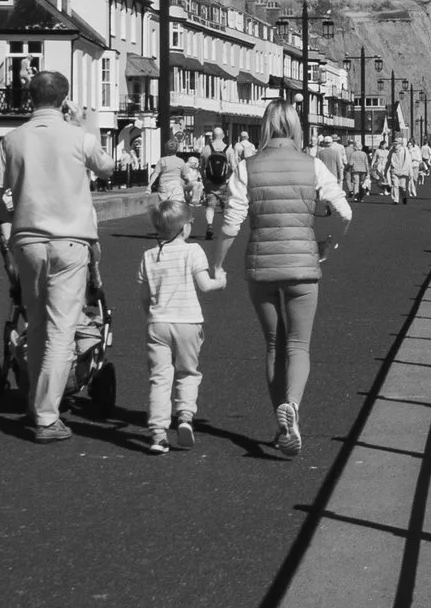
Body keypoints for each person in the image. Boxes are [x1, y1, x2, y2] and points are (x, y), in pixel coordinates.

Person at [211, 97, 351, 459]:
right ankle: (293, 406)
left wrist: (217, 264)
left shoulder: (247, 167)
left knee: (274, 345)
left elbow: (231, 223)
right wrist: (328, 244)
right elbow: (344, 212)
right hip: (303, 265)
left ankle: (281, 423)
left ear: (265, 126)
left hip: (262, 266)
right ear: (296, 127)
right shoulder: (312, 165)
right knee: (299, 346)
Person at [0, 71, 116, 443]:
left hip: (28, 242)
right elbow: (107, 167)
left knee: (37, 324)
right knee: (62, 329)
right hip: (70, 241)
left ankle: (35, 401)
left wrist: (18, 215)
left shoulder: (12, 139)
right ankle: (46, 417)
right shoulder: (78, 137)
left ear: (30, 97)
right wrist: (81, 124)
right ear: (64, 98)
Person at [140, 201, 226, 453]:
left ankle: (158, 434)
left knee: (159, 378)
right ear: (185, 228)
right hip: (187, 322)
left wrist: (152, 316)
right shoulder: (193, 251)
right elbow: (205, 285)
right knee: (187, 373)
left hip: (158, 323)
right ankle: (185, 417)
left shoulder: (148, 256)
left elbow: (144, 297)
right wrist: (220, 281)